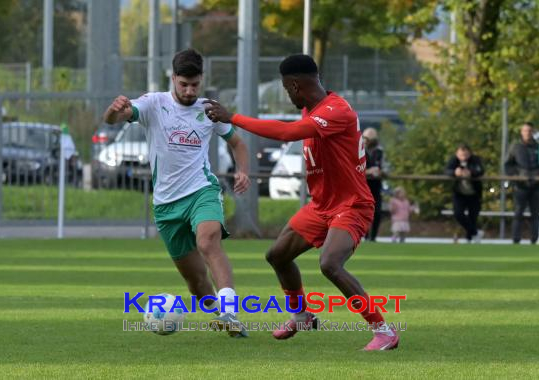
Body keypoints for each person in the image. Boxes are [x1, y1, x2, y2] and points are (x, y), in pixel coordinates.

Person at [204, 54, 399, 351]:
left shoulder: (336, 110)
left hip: (352, 205)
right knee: (277, 255)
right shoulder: (313, 107)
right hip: (321, 205)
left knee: (330, 264)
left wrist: (234, 118)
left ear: (295, 84)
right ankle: (302, 314)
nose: (287, 94)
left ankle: (384, 331)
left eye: (285, 88)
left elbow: (286, 133)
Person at [103, 49, 250, 337]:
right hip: (166, 204)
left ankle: (230, 311)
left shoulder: (210, 109)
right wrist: (113, 109)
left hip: (201, 190)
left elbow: (238, 143)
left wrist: (242, 170)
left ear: (202, 80)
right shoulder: (153, 104)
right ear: (173, 79)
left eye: (195, 84)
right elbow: (112, 120)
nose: (189, 90)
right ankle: (220, 318)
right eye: (184, 84)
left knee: (208, 242)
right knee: (196, 281)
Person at [505, 123, 539, 244]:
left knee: (535, 214)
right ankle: (516, 239)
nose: (527, 133)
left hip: (536, 185)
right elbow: (508, 164)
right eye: (525, 131)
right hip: (520, 185)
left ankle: (535, 239)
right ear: (521, 132)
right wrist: (514, 176)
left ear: (532, 132)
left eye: (529, 131)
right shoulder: (515, 147)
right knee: (518, 212)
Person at [444, 144, 485, 243]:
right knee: (458, 214)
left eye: (466, 155)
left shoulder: (475, 160)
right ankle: (475, 233)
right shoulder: (453, 160)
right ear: (457, 154)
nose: (464, 157)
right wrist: (454, 172)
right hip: (459, 193)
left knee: (473, 217)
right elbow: (446, 170)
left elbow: (481, 170)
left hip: (474, 194)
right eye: (461, 155)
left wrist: (471, 173)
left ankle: (469, 239)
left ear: (469, 153)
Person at [362, 127, 387, 242]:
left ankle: (373, 237)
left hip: (376, 186)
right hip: (362, 186)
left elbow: (387, 168)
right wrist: (367, 171)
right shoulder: (359, 150)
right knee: (364, 212)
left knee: (377, 212)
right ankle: (365, 236)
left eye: (367, 138)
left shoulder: (380, 152)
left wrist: (381, 172)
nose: (365, 140)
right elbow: (353, 168)